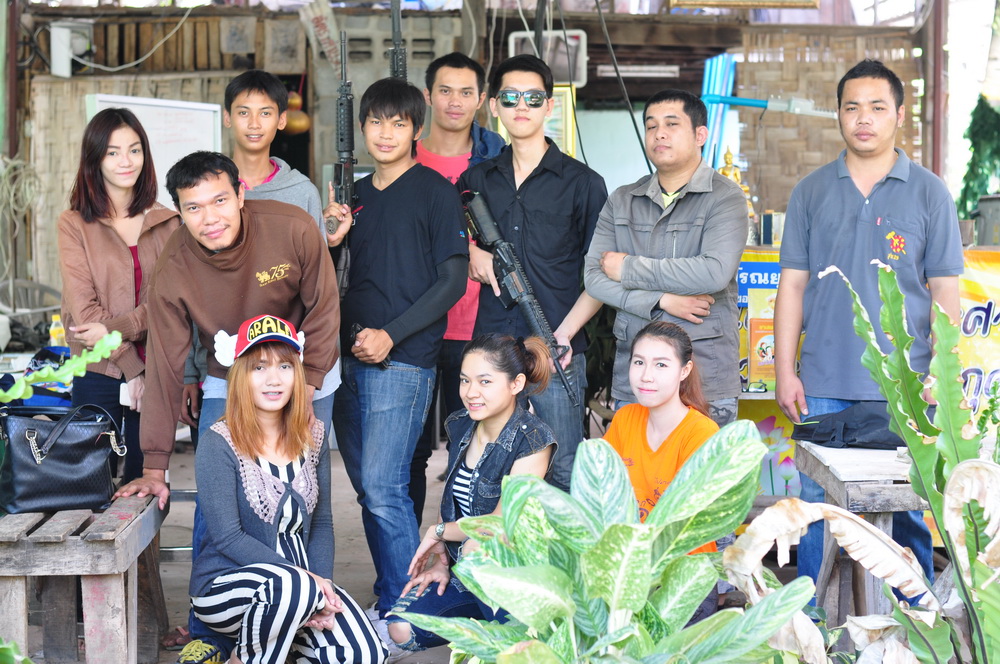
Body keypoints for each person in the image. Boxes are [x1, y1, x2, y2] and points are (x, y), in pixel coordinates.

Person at [774, 59, 964, 588]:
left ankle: (918, 617)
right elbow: (792, 286)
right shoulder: (810, 191)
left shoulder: (929, 192)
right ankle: (813, 621)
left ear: (899, 115)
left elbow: (945, 292)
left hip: (906, 385)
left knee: (907, 511)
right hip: (823, 383)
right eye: (852, 107)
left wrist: (939, 373)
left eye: (877, 107)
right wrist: (785, 371)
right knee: (818, 509)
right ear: (838, 114)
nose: (863, 118)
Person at [328, 77, 469, 622]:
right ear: (361, 128)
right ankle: (394, 594)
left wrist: (391, 334)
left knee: (384, 486)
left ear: (416, 129)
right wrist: (331, 240)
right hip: (346, 360)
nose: (385, 133)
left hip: (402, 362)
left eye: (398, 123)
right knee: (369, 490)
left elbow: (451, 282)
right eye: (375, 122)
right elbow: (330, 280)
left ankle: (409, 609)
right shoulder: (354, 197)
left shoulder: (435, 192)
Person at [190, 314, 386, 664]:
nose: (274, 379)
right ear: (240, 376)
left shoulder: (313, 437)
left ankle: (287, 643)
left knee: (364, 653)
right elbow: (228, 538)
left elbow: (322, 523)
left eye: (284, 366)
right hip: (227, 585)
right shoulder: (218, 442)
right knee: (292, 589)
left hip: (304, 587)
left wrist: (323, 587)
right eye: (259, 368)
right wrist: (306, 582)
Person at [458, 54, 608, 491]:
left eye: (533, 98)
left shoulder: (584, 183)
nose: (521, 106)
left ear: (549, 106)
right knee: (488, 467)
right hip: (492, 352)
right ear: (494, 106)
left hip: (557, 350)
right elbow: (444, 244)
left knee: (563, 467)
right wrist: (470, 251)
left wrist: (563, 335)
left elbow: (601, 275)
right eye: (510, 97)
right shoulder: (474, 181)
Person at [382, 333, 556, 654]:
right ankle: (486, 626)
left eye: (485, 381)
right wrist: (442, 559)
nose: (470, 392)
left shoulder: (533, 439)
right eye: (465, 380)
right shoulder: (461, 423)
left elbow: (497, 526)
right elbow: (452, 496)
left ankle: (515, 636)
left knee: (479, 546)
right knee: (401, 627)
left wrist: (438, 532)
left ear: (516, 384)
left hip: (515, 574)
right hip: (467, 568)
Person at [584, 89, 748, 428]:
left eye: (672, 124)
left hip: (705, 374)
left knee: (704, 463)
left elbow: (713, 272)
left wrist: (627, 267)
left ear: (700, 135)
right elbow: (594, 279)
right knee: (635, 462)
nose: (659, 133)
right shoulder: (622, 200)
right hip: (637, 375)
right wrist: (661, 300)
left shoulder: (725, 197)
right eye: (651, 126)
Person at [409, 52, 506, 524]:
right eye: (445, 90)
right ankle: (407, 559)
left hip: (477, 330)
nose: (455, 101)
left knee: (473, 454)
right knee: (409, 455)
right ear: (428, 96)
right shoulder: (402, 153)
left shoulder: (497, 159)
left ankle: (464, 555)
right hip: (415, 326)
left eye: (466, 92)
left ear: (481, 99)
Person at [58, 107, 180, 483]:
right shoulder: (74, 224)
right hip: (97, 369)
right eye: (113, 152)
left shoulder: (168, 222)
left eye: (134, 149)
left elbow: (168, 305)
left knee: (145, 484)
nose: (126, 161)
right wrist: (132, 368)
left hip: (157, 368)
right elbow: (84, 314)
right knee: (91, 484)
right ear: (95, 159)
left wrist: (124, 337)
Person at [601, 321, 719, 620]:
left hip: (683, 580)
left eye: (661, 365)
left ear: (684, 370)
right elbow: (601, 493)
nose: (646, 376)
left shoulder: (701, 432)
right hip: (625, 573)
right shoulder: (625, 418)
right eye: (639, 362)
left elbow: (686, 520)